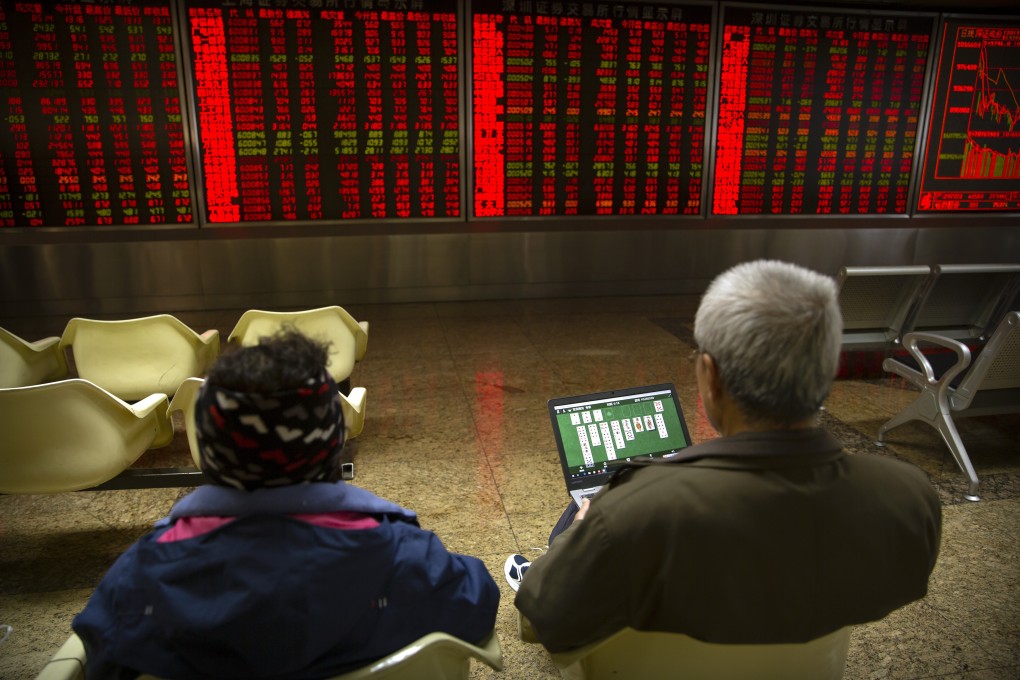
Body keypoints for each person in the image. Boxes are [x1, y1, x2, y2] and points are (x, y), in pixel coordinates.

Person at [506, 259, 942, 653]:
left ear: (710, 375)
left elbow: (542, 619)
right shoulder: (910, 496)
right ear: (826, 371)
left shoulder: (627, 516)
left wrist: (579, 535)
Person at [74, 329, 499, 680]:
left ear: (211, 450)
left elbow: (103, 661)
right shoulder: (405, 557)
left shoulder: (141, 575)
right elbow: (476, 605)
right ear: (332, 443)